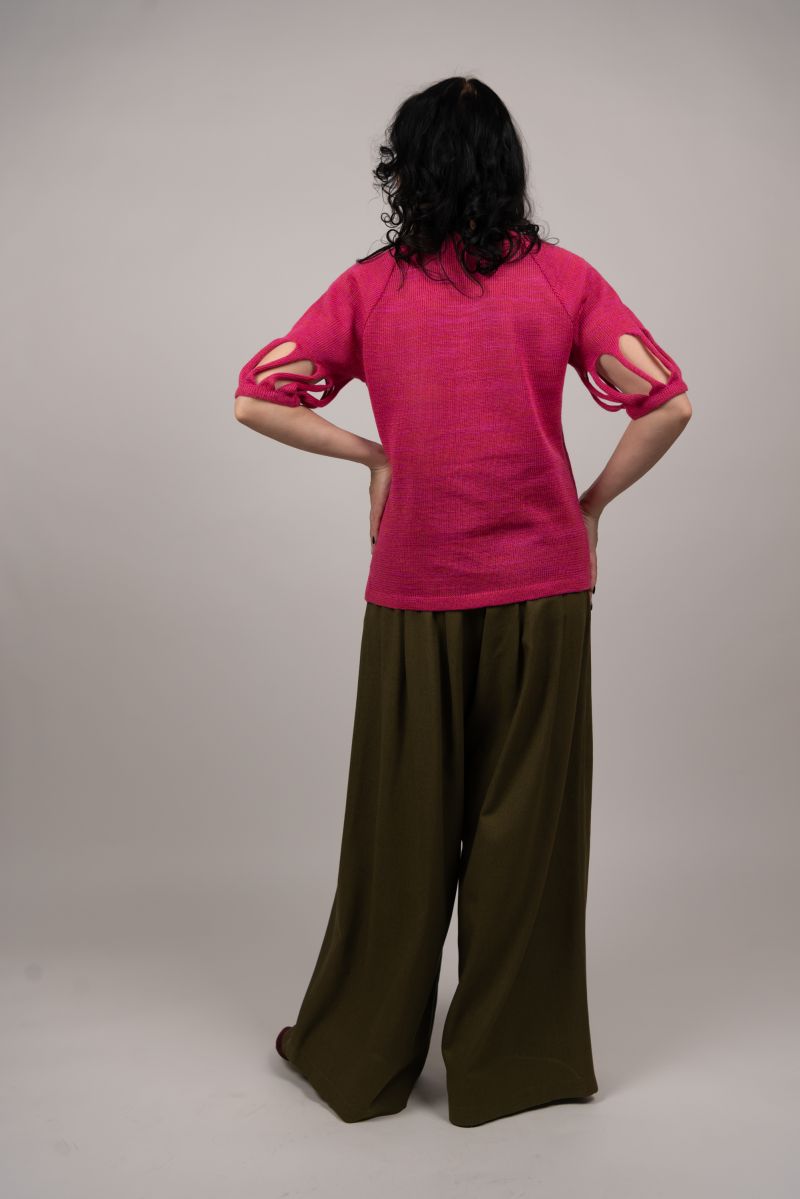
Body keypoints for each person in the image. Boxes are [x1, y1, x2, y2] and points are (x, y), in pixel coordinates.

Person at [233, 76, 692, 1128]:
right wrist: (588, 505)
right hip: (544, 591)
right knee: (526, 835)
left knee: (398, 832)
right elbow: (667, 403)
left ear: (406, 170)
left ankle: (358, 1055)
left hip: (413, 591)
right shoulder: (565, 280)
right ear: (505, 166)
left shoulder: (368, 289)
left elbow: (255, 397)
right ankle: (511, 1069)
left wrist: (375, 457)